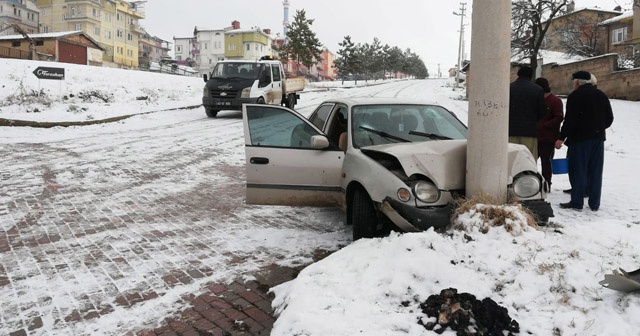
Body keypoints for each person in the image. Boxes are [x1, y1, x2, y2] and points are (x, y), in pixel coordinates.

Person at [555, 70, 614, 211]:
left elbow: (570, 120)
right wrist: (598, 128)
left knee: (579, 170)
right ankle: (594, 204)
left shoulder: (575, 96)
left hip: (580, 139)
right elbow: (609, 118)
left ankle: (577, 202)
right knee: (595, 171)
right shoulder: (601, 95)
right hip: (598, 139)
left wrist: (561, 138)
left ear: (577, 82)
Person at [509, 66, 548, 159]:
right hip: (529, 132)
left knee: (511, 160)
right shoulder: (538, 90)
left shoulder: (509, 88)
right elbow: (542, 112)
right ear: (531, 76)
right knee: (528, 160)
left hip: (511, 131)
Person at [534, 77, 564, 191]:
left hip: (548, 137)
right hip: (536, 136)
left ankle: (547, 184)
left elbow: (559, 117)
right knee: (532, 161)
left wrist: (543, 125)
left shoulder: (555, 101)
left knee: (546, 163)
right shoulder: (537, 99)